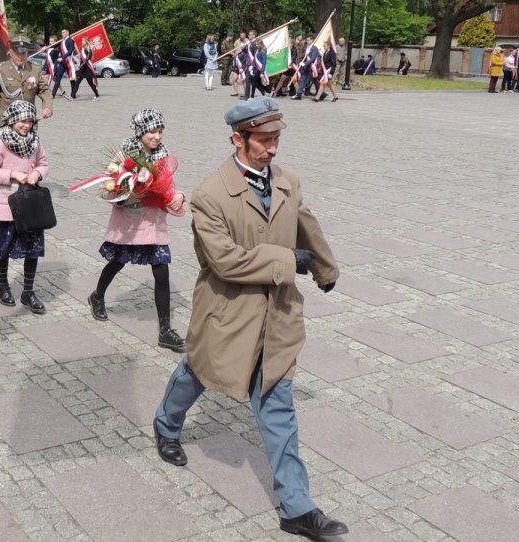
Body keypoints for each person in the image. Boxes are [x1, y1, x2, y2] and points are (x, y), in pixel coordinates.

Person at [151, 96, 346, 540]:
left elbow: (306, 226)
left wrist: (324, 268)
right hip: (227, 312)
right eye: (264, 140)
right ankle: (166, 426)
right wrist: (288, 260)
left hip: (276, 315)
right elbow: (225, 262)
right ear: (237, 139)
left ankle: (296, 507)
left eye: (277, 139)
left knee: (278, 402)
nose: (273, 149)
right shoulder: (209, 195)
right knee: (197, 371)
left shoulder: (287, 181)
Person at [86, 108, 187, 353]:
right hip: (130, 224)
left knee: (161, 272)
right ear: (141, 131)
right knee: (117, 262)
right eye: (153, 131)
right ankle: (97, 296)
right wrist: (126, 192)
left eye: (161, 131)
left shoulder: (163, 157)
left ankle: (165, 331)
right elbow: (106, 190)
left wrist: (179, 197)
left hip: (154, 224)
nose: (157, 136)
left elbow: (170, 188)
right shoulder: (123, 156)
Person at [0, 100, 50, 312]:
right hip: (5, 206)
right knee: (4, 249)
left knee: (32, 250)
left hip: (30, 206)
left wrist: (38, 173)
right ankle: (2, 285)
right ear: (11, 121)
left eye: (30, 121)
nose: (27, 125)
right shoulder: (0, 142)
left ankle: (28, 291)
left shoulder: (35, 141)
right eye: (22, 121)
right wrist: (13, 174)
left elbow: (44, 163)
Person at [0, 39, 54, 139]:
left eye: (23, 53)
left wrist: (47, 106)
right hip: (7, 124)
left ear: (27, 53)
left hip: (27, 125)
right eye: (17, 53)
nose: (20, 56)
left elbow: (44, 90)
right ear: (10, 52)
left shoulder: (34, 69)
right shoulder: (1, 70)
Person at [70, 36, 100, 101]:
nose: (82, 41)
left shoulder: (89, 50)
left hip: (88, 68)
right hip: (83, 68)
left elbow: (87, 60)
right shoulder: (83, 49)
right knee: (77, 81)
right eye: (82, 40)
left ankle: (97, 96)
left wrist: (80, 66)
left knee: (90, 83)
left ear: (86, 42)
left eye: (83, 40)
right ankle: (72, 96)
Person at [291, 33, 318, 101]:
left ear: (312, 40)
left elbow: (313, 58)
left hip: (311, 67)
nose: (308, 41)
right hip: (305, 67)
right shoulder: (306, 47)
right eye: (307, 40)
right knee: (302, 80)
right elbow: (303, 56)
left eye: (309, 40)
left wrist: (305, 64)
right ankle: (299, 94)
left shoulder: (315, 48)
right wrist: (302, 62)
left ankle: (322, 93)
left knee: (315, 81)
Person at [52, 28, 76, 98]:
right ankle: (53, 94)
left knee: (72, 79)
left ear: (67, 33)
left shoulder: (71, 41)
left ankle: (73, 94)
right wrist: (46, 47)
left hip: (69, 62)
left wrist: (62, 57)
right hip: (63, 63)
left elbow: (70, 51)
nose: (62, 34)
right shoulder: (62, 41)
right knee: (58, 78)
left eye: (63, 32)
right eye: (61, 32)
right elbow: (56, 47)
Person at [242, 30, 258, 99]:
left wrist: (253, 65)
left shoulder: (255, 43)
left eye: (250, 34)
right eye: (248, 34)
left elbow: (255, 55)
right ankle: (248, 94)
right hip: (248, 62)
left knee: (248, 79)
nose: (248, 36)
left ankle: (247, 95)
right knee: (251, 80)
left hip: (252, 64)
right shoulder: (249, 43)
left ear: (254, 35)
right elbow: (248, 53)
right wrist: (243, 48)